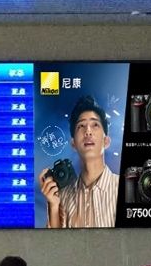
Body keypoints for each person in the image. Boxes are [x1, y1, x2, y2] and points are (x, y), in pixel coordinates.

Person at [40, 95, 119, 228]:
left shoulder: (122, 189)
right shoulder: (63, 197)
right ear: (73, 143)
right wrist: (53, 206)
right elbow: (54, 240)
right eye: (81, 126)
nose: (88, 131)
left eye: (95, 125)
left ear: (106, 141)